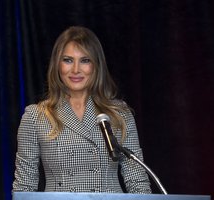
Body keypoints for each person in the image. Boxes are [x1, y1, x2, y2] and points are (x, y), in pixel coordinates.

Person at [12, 26, 151, 193]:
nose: (76, 69)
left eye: (85, 60)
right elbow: (24, 187)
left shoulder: (119, 114)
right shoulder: (36, 117)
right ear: (57, 64)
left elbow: (137, 181)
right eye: (68, 60)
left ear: (96, 65)